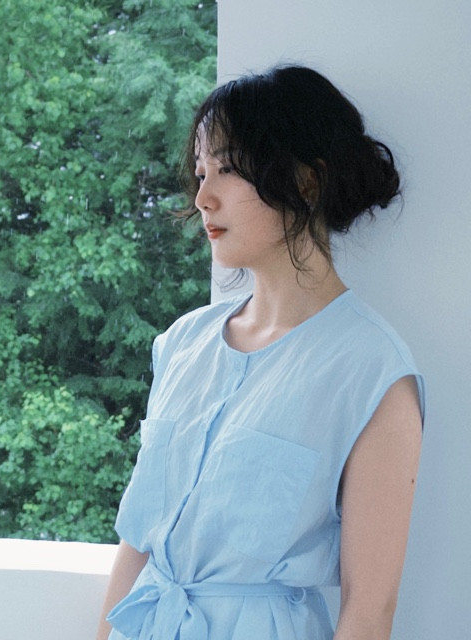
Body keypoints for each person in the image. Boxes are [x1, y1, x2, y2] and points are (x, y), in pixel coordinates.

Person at [95, 65, 424, 640]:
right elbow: (139, 543)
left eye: (226, 169)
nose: (203, 197)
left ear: (306, 182)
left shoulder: (372, 373)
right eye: (201, 171)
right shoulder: (183, 344)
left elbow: (370, 611)